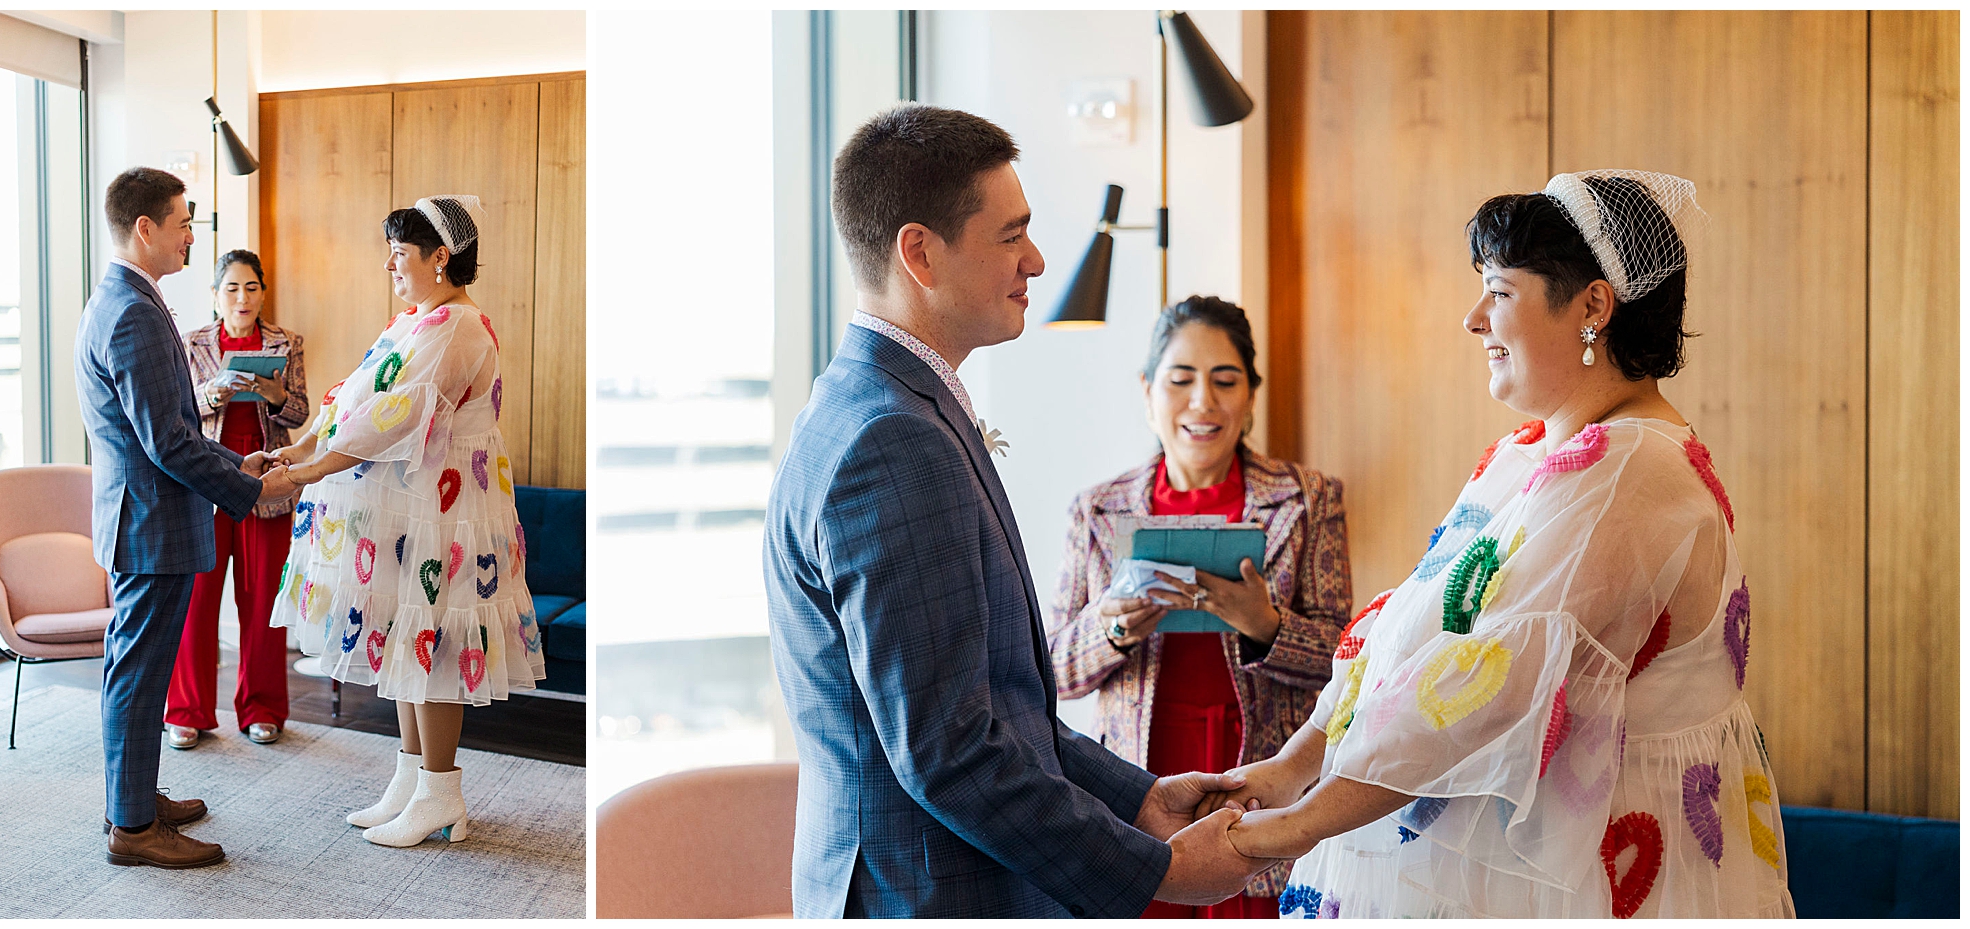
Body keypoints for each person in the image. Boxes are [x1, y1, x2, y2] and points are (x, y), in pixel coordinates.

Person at [1208, 171, 1795, 918]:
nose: (1473, 318)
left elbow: (1483, 688)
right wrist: (1294, 765)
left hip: (1597, 874)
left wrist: (1281, 833)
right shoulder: (1527, 453)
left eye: (1500, 290)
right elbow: (1407, 631)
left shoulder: (1629, 469)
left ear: (1593, 305)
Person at [763, 103, 1274, 919]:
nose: (1035, 259)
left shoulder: (865, 405)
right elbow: (950, 750)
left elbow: (1000, 703)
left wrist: (1139, 800)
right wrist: (1159, 873)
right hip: (930, 893)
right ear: (920, 252)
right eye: (1011, 235)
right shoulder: (893, 438)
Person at [1047, 295, 1353, 918]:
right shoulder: (1097, 509)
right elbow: (1053, 670)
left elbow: (1349, 668)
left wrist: (1264, 625)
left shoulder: (1309, 497)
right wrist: (1110, 628)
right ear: (1147, 391)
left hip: (1263, 791)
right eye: (1180, 380)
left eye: (1225, 380)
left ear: (1251, 394)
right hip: (1140, 796)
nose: (1202, 403)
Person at [268, 195, 544, 848]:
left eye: (400, 253)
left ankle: (441, 792)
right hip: (410, 505)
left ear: (440, 257)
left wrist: (306, 474)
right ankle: (412, 779)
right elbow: (353, 397)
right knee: (404, 639)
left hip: (447, 512)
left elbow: (392, 418)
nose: (390, 265)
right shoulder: (414, 321)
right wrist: (298, 448)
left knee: (433, 646)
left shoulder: (457, 327)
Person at [75, 166, 300, 868]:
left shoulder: (128, 299)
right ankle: (133, 826)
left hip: (143, 518)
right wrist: (242, 487)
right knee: (139, 674)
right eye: (182, 221)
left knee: (134, 670)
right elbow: (166, 440)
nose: (190, 233)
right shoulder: (135, 310)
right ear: (146, 228)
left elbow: (168, 427)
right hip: (149, 524)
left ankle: (133, 797)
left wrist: (240, 467)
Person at [164, 249, 308, 749]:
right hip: (209, 475)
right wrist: (213, 396)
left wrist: (273, 396)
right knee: (197, 601)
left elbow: (299, 414)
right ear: (215, 295)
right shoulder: (191, 343)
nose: (242, 297)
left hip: (268, 478)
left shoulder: (286, 342)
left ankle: (262, 708)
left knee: (264, 600)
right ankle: (187, 710)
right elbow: (179, 415)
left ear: (263, 292)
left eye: (251, 287)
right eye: (232, 288)